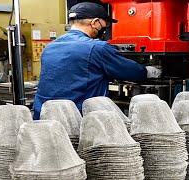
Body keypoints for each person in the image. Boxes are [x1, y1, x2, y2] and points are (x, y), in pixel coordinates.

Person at [33, 2, 161, 119]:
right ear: (95, 22)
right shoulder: (97, 48)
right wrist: (149, 71)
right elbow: (130, 72)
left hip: (44, 116)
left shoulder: (50, 47)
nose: (106, 29)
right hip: (77, 120)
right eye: (106, 24)